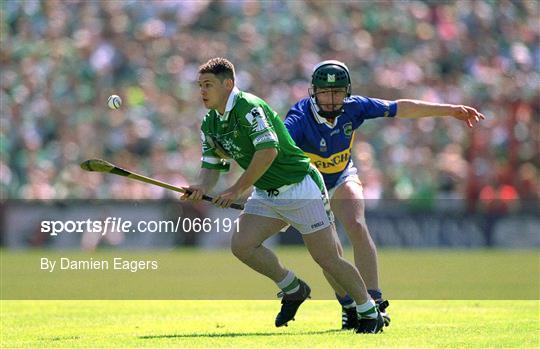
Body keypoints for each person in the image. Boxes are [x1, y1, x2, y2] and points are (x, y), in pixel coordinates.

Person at [182, 57, 385, 333]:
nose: (202, 91)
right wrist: (201, 187)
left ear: (228, 84)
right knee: (242, 245)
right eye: (200, 85)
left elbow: (268, 152)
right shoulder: (211, 123)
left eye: (208, 85)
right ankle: (293, 288)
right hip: (267, 192)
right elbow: (212, 166)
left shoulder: (249, 108)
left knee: (327, 258)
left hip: (300, 187)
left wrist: (235, 190)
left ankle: (367, 310)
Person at [284, 60, 485, 329]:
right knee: (329, 252)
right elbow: (275, 149)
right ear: (313, 92)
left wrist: (450, 110)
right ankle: (349, 306)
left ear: (347, 91)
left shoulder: (355, 107)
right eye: (325, 92)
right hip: (310, 186)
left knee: (356, 224)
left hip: (343, 177)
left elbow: (402, 108)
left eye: (337, 92)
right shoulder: (299, 117)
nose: (331, 99)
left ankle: (375, 300)